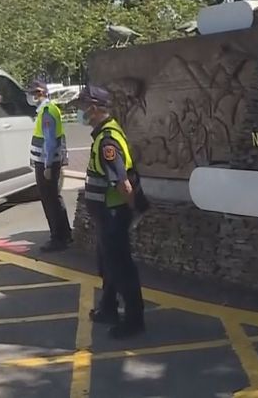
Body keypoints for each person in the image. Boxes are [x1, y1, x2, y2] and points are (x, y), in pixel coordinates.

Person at [79, 84, 146, 339]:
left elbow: (124, 183)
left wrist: (134, 211)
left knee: (121, 267)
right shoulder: (105, 133)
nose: (81, 112)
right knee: (107, 264)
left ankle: (134, 319)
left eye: (84, 107)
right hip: (106, 215)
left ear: (95, 109)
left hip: (114, 214)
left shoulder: (107, 140)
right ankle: (108, 308)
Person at [25, 78, 72, 252]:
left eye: (34, 93)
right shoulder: (48, 110)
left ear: (42, 93)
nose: (31, 96)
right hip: (51, 162)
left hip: (47, 163)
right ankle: (65, 234)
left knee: (49, 200)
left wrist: (47, 166)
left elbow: (50, 142)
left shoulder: (47, 111)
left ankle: (57, 238)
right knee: (55, 198)